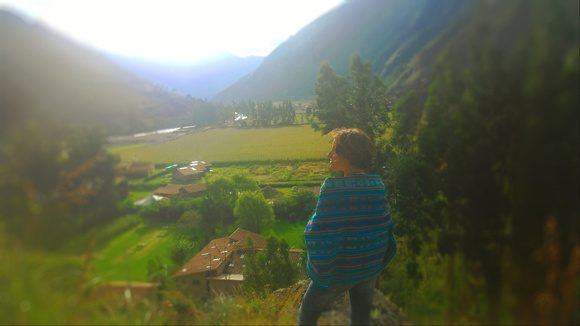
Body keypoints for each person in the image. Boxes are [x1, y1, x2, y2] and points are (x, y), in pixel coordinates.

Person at [298, 128, 397, 326]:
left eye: (334, 150)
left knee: (307, 313)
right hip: (369, 266)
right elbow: (384, 225)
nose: (329, 155)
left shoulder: (332, 189)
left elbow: (317, 233)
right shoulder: (377, 185)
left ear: (347, 155)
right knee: (361, 318)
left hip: (341, 271)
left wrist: (309, 225)